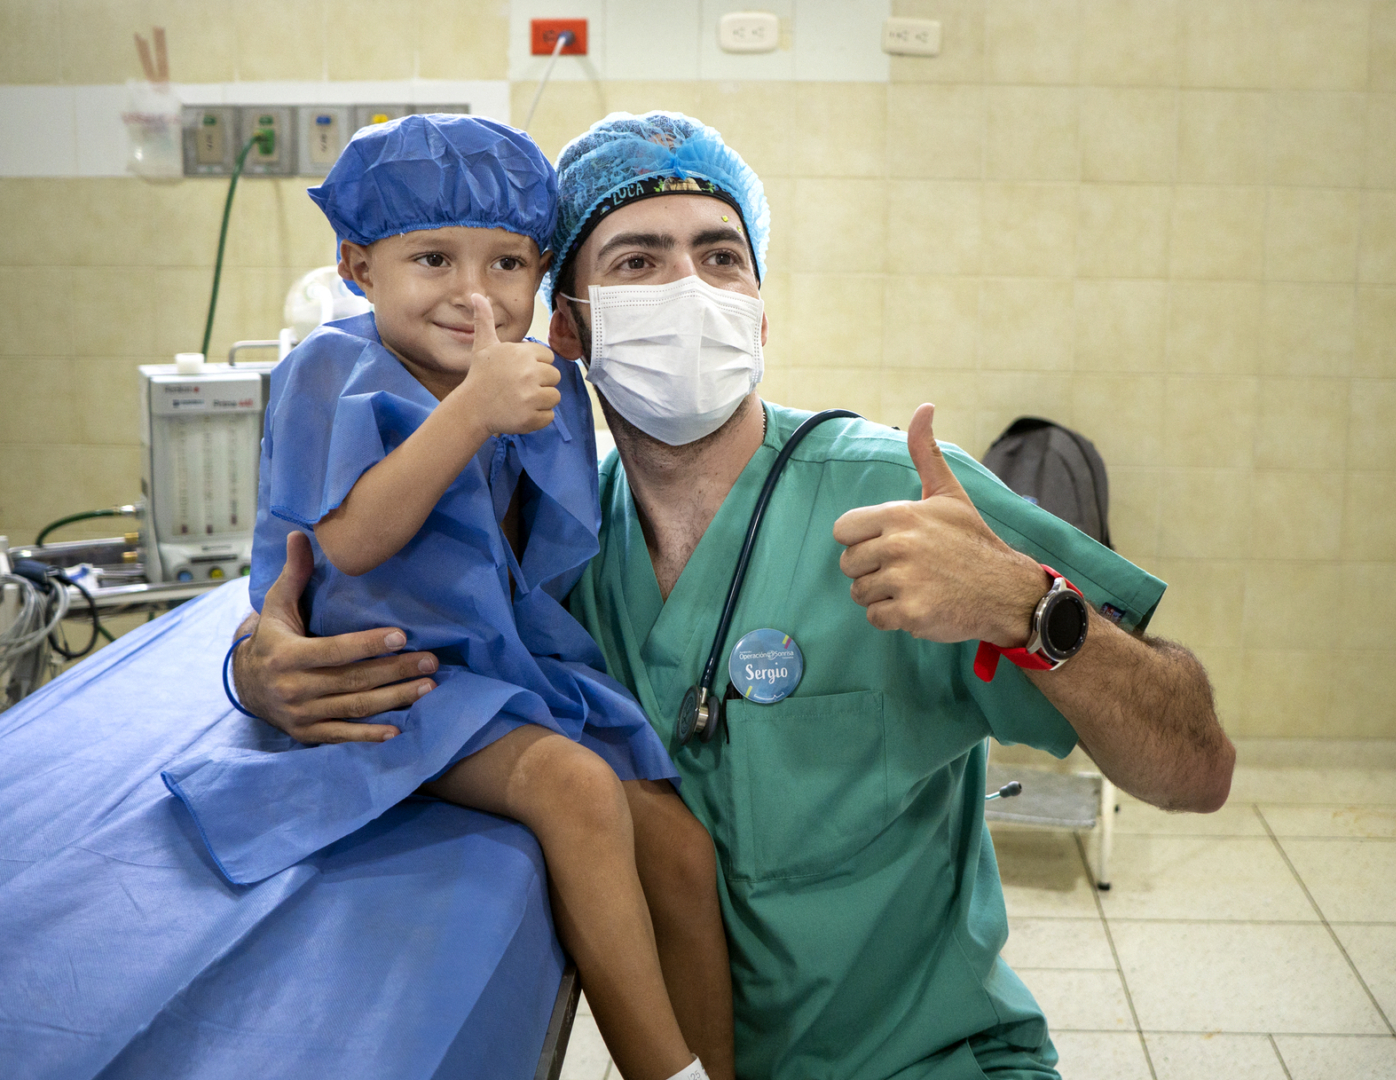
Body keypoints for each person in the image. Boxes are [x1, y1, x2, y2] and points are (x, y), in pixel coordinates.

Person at [235, 113, 1235, 1080]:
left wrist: (1029, 610)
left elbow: (1197, 767)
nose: (689, 289)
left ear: (760, 311)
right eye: (637, 261)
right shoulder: (561, 540)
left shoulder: (902, 496)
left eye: (721, 258)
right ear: (569, 329)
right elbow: (355, 577)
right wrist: (259, 663)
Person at [165, 114, 730, 1080]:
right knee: (575, 787)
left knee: (679, 844)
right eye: (432, 258)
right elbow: (350, 539)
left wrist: (510, 403)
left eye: (508, 264)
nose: (474, 295)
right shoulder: (333, 371)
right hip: (393, 677)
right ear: (358, 265)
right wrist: (471, 412)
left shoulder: (530, 382)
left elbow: (533, 548)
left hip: (502, 666)